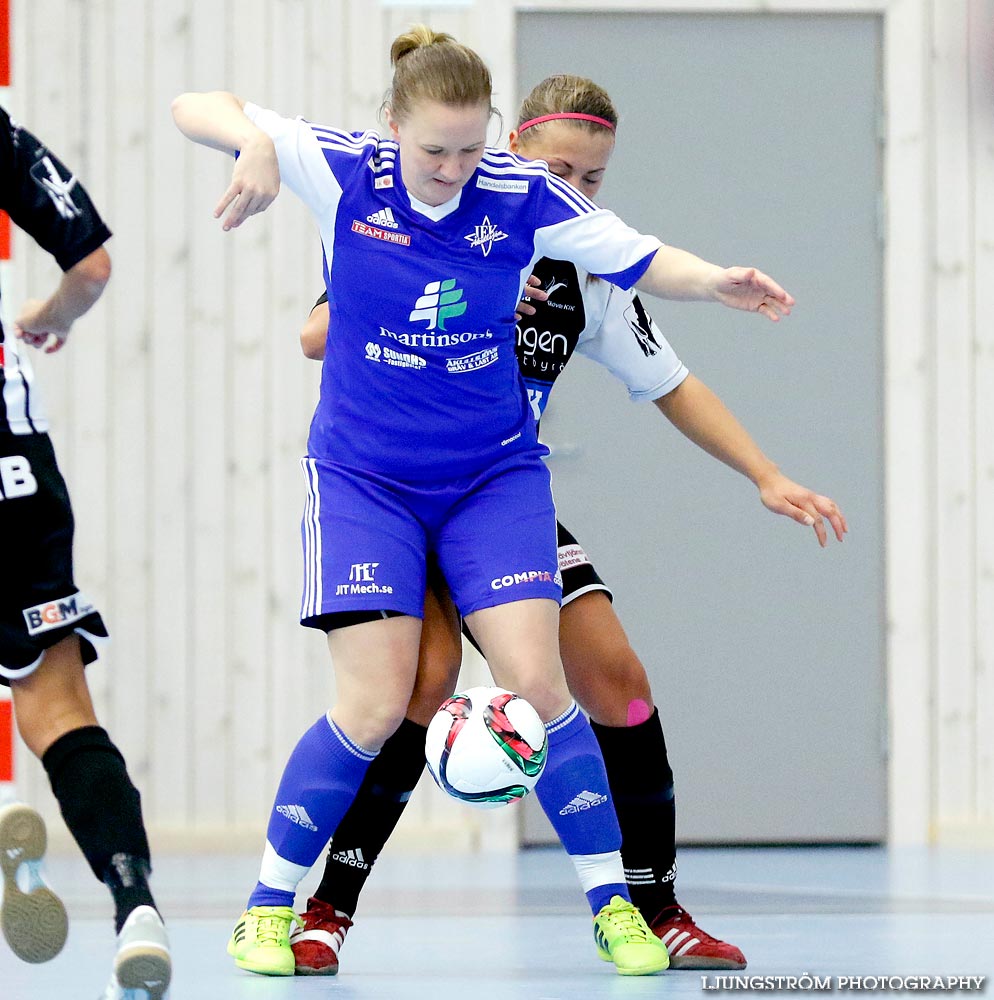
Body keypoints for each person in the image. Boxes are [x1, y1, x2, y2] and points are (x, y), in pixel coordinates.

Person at [171, 25, 794, 979]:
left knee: (547, 689)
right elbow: (195, 106)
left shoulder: (524, 201)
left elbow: (640, 257)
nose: (454, 169)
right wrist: (254, 139)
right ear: (393, 128)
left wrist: (716, 282)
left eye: (470, 149)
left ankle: (618, 908)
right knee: (381, 702)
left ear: (491, 137)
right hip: (367, 480)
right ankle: (273, 907)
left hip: (492, 479)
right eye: (435, 151)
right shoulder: (346, 171)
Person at [0, 107, 171, 999]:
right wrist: (44, 315)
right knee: (58, 706)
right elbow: (92, 264)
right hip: (11, 457)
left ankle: (2, 809)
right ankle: (134, 901)